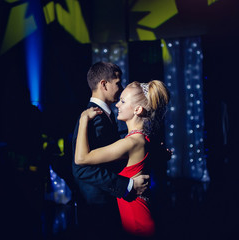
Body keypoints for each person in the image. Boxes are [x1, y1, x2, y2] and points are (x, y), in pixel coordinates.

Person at [75, 80, 170, 237]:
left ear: (138, 110)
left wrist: (83, 120)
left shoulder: (130, 143)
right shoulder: (143, 139)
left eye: (123, 101)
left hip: (137, 222)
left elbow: (81, 158)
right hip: (139, 216)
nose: (117, 105)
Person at [71, 62, 149, 239]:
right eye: (118, 83)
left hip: (106, 201)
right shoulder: (92, 118)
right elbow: (81, 168)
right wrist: (127, 186)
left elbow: (109, 152)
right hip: (97, 204)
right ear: (104, 84)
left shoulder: (104, 115)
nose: (120, 89)